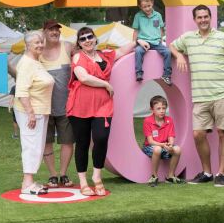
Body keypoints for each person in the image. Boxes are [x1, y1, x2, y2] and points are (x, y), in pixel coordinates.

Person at [169, 5, 224, 187]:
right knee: (198, 134)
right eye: (199, 17)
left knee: (223, 133)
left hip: (222, 94)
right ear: (195, 20)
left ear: (211, 18)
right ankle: (207, 172)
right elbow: (171, 45)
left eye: (206, 16)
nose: (203, 20)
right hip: (200, 97)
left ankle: (221, 173)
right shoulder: (188, 39)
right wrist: (178, 55)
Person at [66, 26, 135, 196]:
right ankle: (83, 181)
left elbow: (123, 50)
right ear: (79, 44)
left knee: (101, 138)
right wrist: (106, 84)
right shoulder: (77, 57)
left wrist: (136, 41)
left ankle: (97, 176)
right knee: (82, 143)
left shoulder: (106, 56)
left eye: (90, 36)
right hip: (80, 106)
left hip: (103, 105)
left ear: (96, 38)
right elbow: (83, 77)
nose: (87, 40)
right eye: (82, 39)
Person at [13, 31, 55, 195]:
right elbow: (21, 91)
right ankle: (27, 183)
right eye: (36, 42)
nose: (40, 45)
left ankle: (29, 180)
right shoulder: (26, 64)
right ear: (27, 45)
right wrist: (30, 113)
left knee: (37, 146)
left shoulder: (35, 62)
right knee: (31, 145)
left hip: (40, 111)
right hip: (30, 112)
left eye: (41, 42)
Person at [38, 20, 75, 189]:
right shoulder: (36, 50)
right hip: (43, 107)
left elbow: (86, 58)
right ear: (44, 31)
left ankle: (64, 174)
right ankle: (53, 175)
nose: (55, 32)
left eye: (57, 30)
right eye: (51, 29)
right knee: (46, 142)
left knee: (67, 141)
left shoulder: (68, 47)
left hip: (66, 106)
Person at [132, 0, 172, 85]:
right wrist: (134, 42)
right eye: (144, 7)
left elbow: (161, 29)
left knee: (167, 52)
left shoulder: (157, 15)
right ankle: (139, 73)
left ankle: (166, 75)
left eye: (149, 6)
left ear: (152, 3)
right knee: (138, 51)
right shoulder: (138, 16)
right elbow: (136, 31)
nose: (147, 9)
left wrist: (161, 40)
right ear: (140, 6)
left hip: (156, 42)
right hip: (143, 42)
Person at [142, 95, 182, 186]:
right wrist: (163, 145)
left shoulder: (169, 120)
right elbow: (150, 141)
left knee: (177, 149)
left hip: (164, 146)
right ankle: (154, 176)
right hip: (150, 147)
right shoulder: (147, 121)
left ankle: (170, 176)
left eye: (164, 108)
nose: (162, 111)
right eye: (158, 108)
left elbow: (171, 137)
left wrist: (170, 145)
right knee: (157, 149)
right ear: (152, 109)